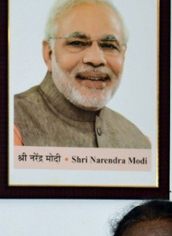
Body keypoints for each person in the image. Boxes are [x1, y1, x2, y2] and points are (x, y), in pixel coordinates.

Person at [13, 0, 150, 148]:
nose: (96, 59)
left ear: (123, 55)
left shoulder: (138, 142)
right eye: (77, 43)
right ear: (49, 54)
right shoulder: (10, 122)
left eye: (109, 45)